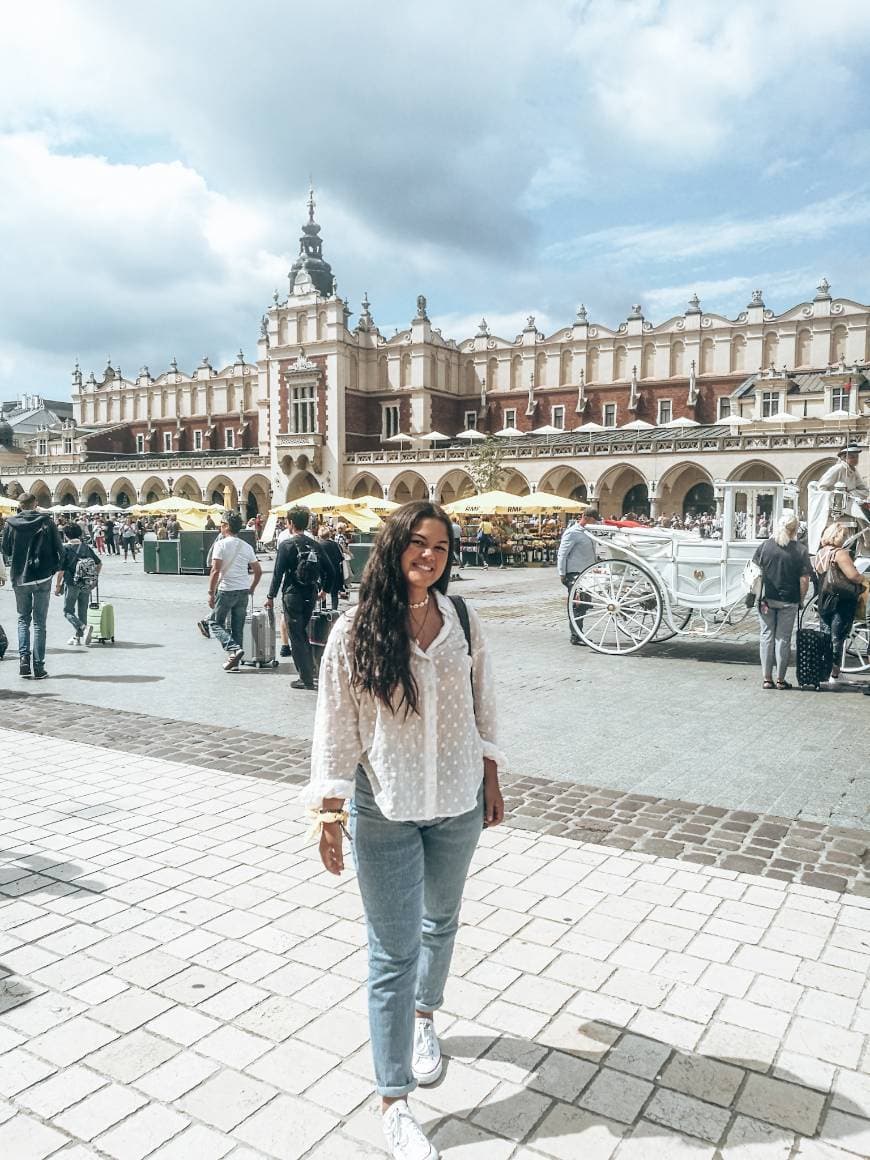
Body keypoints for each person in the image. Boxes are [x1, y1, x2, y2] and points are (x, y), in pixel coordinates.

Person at [305, 500, 506, 1160]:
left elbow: (485, 709)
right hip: (384, 809)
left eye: (441, 548)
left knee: (441, 921)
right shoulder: (355, 629)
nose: (429, 555)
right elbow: (337, 727)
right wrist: (330, 810)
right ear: (393, 549)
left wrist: (492, 779)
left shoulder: (462, 620)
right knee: (390, 955)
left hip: (456, 803)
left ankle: (426, 1018)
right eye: (417, 544)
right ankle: (393, 1103)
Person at [265, 507, 334, 690]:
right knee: (302, 631)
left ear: (291, 524)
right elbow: (331, 571)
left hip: (292, 594)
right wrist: (324, 590)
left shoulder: (286, 545)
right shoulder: (315, 545)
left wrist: (270, 596)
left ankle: (306, 677)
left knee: (296, 635)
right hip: (310, 593)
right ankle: (310, 669)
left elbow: (278, 574)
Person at [1, 492, 64, 679]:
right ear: (35, 503)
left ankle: (23, 662)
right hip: (43, 577)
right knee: (39, 623)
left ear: (20, 505)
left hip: (20, 577)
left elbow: (5, 550)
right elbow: (59, 549)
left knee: (22, 619)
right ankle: (39, 667)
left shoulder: (11, 524)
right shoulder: (47, 522)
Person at [752, 511, 812, 689]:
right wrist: (801, 600)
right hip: (789, 600)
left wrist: (757, 595)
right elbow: (804, 580)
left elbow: (755, 572)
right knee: (783, 639)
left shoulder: (765, 546)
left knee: (766, 637)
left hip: (766, 600)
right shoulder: (800, 550)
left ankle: (766, 678)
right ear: (795, 530)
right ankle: (780, 679)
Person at [203, 511, 262, 671]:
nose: (220, 527)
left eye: (222, 524)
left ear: (227, 526)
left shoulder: (220, 545)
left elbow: (215, 570)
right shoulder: (247, 546)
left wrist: (210, 592)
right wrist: (252, 587)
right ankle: (234, 662)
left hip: (227, 590)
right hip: (243, 590)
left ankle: (233, 649)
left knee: (214, 622)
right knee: (237, 627)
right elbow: (258, 570)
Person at [815, 521, 865, 684]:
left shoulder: (821, 553)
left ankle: (824, 671)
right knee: (838, 638)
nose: (845, 538)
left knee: (826, 636)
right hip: (841, 600)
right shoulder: (840, 553)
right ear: (838, 536)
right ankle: (835, 674)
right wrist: (863, 578)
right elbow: (853, 576)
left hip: (824, 600)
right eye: (844, 536)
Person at [556, 509, 601, 644]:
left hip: (586, 573)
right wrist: (562, 573)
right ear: (586, 517)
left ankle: (577, 633)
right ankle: (576, 635)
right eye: (594, 520)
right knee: (577, 603)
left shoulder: (588, 532)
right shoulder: (572, 533)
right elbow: (562, 554)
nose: (596, 522)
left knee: (584, 604)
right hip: (574, 573)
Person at [55, 523, 101, 646]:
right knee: (82, 611)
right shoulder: (86, 547)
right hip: (86, 583)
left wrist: (58, 585)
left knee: (67, 611)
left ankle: (83, 628)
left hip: (71, 583)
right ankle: (78, 637)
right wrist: (94, 578)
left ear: (66, 535)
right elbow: (99, 563)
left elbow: (61, 570)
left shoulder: (66, 548)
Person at [317, 525, 345, 611]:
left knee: (321, 592)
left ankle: (323, 610)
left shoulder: (318, 545)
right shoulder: (335, 545)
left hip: (321, 573)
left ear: (319, 535)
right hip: (335, 572)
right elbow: (341, 558)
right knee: (334, 594)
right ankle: (334, 611)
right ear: (329, 534)